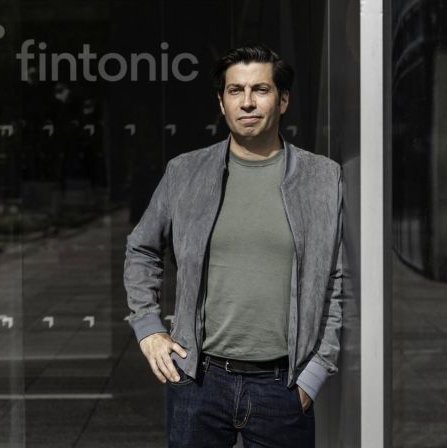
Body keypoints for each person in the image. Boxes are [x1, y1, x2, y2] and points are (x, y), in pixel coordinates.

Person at [124, 44, 344, 448]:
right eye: (235, 90)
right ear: (221, 102)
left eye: (260, 89)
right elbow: (142, 249)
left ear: (283, 100)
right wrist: (148, 327)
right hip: (198, 380)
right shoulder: (185, 172)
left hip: (284, 386)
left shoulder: (322, 178)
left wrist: (314, 374)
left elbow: (334, 279)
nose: (247, 102)